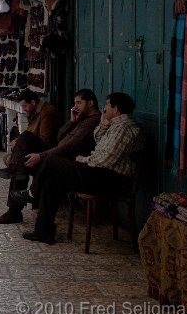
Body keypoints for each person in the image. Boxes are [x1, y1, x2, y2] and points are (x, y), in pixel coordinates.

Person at [11, 92, 145, 244]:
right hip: (100, 172)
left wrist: (84, 159)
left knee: (52, 162)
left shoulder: (124, 128)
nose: (104, 109)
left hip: (108, 177)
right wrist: (104, 123)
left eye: (107, 105)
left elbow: (106, 159)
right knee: (53, 181)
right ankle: (43, 231)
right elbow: (98, 142)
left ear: (115, 109)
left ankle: (33, 193)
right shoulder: (115, 125)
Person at [0, 89, 100, 224]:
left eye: (79, 103)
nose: (75, 107)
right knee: (21, 164)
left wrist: (40, 156)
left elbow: (66, 146)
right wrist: (72, 122)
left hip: (62, 160)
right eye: (74, 103)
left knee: (24, 146)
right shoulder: (81, 120)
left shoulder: (91, 122)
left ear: (90, 103)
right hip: (55, 154)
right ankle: (14, 206)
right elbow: (61, 137)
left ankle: (14, 209)